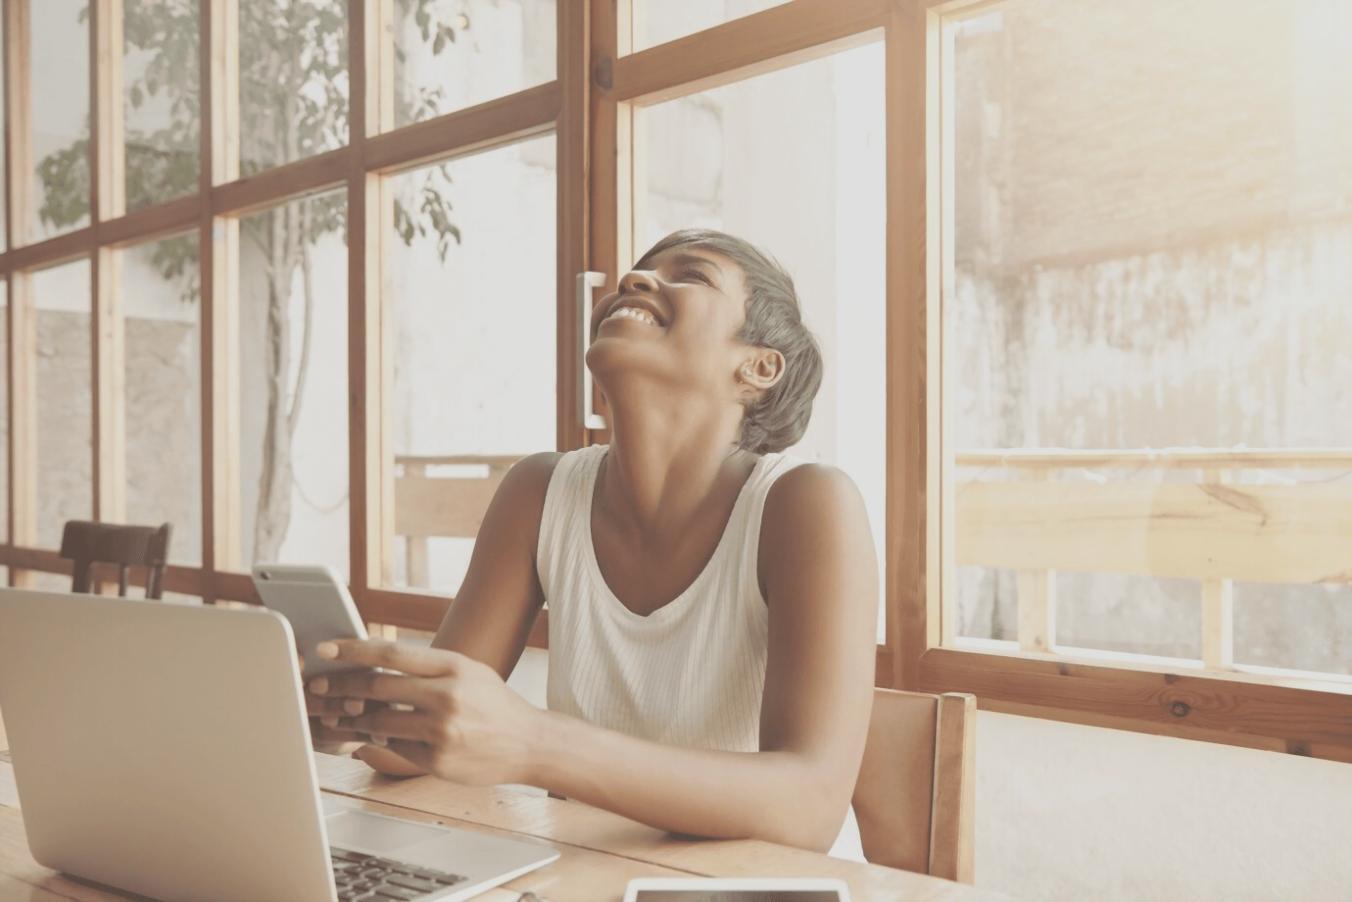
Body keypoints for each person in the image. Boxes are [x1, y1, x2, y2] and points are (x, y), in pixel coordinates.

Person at [304, 229, 878, 853]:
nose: (633, 282)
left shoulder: (807, 505)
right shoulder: (539, 491)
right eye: (638, 271)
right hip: (584, 869)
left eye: (692, 275)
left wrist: (534, 744)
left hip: (754, 889)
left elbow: (810, 808)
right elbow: (413, 747)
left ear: (759, 366)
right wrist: (354, 711)